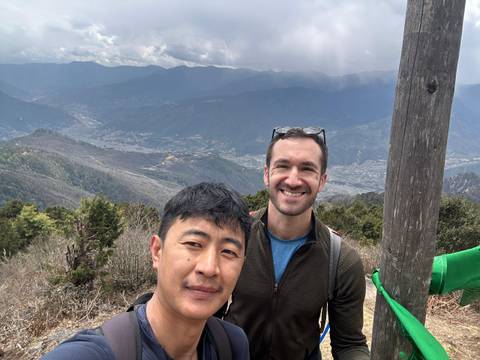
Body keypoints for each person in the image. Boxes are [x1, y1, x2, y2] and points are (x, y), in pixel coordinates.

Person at [43, 182, 252, 360]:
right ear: (157, 251)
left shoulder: (232, 345)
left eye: (228, 251)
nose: (209, 268)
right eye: (194, 244)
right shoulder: (92, 354)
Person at [224, 127, 370, 360]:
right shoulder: (235, 237)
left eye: (307, 169)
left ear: (322, 180)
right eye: (282, 166)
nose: (293, 180)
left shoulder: (340, 260)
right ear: (266, 174)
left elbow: (349, 344)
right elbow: (205, 316)